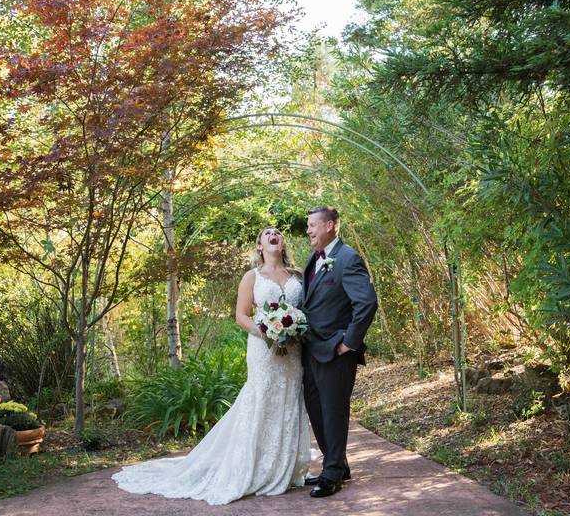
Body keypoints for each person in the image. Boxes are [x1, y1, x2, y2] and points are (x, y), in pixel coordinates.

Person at [111, 227, 311, 505]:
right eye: (267, 233)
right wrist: (267, 332)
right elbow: (241, 316)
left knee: (289, 399)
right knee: (262, 398)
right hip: (263, 347)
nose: (273, 234)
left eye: (277, 232)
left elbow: (305, 311)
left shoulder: (298, 276)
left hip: (293, 351)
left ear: (284, 242)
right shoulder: (251, 277)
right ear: (259, 246)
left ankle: (283, 468)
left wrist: (293, 331)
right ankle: (254, 468)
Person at [300, 205, 378, 498]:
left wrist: (350, 341)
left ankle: (331, 473)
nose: (308, 230)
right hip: (311, 350)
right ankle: (339, 464)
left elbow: (366, 303)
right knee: (316, 410)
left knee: (333, 412)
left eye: (312, 225)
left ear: (331, 225)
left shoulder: (348, 258)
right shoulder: (315, 259)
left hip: (336, 351)